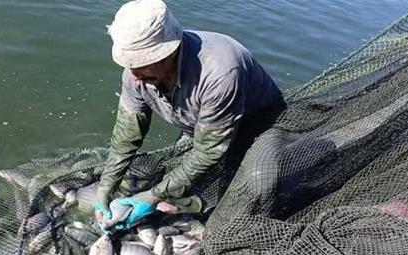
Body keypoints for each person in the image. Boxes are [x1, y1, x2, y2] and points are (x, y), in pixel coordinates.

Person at [95, 0, 284, 230]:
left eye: (141, 64)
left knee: (258, 184)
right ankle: (190, 206)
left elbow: (208, 151)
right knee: (178, 180)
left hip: (260, 128)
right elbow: (126, 138)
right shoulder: (136, 76)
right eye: (130, 64)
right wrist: (106, 188)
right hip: (201, 129)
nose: (134, 75)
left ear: (168, 54)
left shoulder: (219, 72)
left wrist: (152, 196)